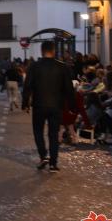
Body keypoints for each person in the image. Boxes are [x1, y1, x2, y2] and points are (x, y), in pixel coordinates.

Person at [22, 41, 75, 172]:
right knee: (53, 133)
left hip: (39, 105)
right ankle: (53, 163)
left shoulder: (34, 66)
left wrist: (25, 103)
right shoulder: (63, 67)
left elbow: (27, 86)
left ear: (42, 51)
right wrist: (72, 106)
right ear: (54, 51)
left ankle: (43, 156)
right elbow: (69, 88)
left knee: (38, 131)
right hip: (56, 106)